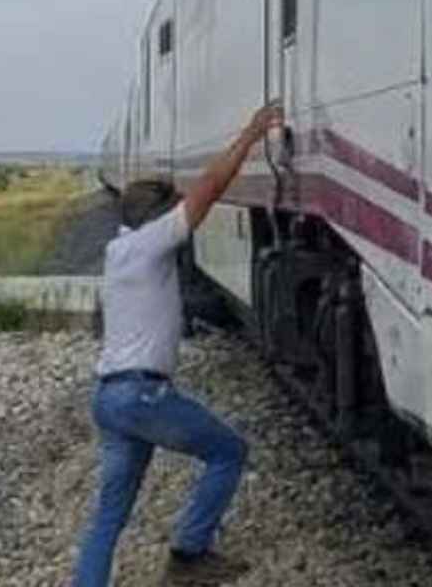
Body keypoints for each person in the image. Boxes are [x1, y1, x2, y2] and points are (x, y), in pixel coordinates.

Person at [73, 100, 284, 587]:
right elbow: (208, 191)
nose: (181, 223)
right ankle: (189, 553)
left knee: (108, 518)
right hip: (140, 395)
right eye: (172, 214)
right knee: (229, 451)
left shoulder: (119, 249)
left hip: (109, 397)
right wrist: (251, 134)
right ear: (156, 219)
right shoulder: (149, 245)